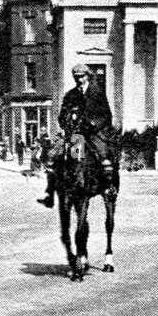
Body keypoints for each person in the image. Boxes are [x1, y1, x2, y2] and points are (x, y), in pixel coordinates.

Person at [38, 64, 119, 208]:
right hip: (77, 135)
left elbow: (106, 115)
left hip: (94, 133)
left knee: (104, 156)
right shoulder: (70, 95)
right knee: (55, 156)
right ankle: (51, 192)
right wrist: (66, 123)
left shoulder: (98, 93)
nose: (79, 80)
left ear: (88, 76)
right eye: (76, 77)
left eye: (82, 76)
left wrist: (94, 124)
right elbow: (62, 115)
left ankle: (108, 187)